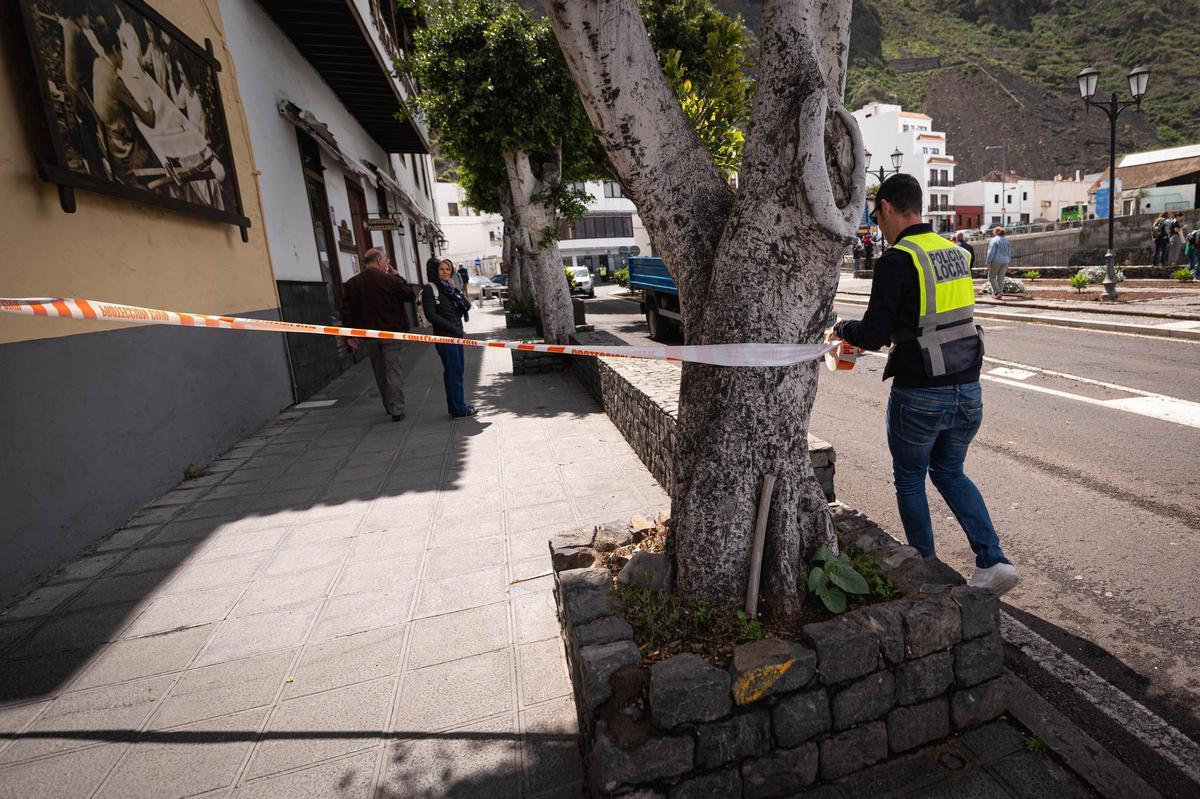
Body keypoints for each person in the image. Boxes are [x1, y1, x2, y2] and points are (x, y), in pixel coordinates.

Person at [828, 173, 1018, 595]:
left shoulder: (897, 259)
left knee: (911, 478)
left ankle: (927, 574)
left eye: (877, 216)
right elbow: (928, 313)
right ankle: (993, 560)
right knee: (950, 472)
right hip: (968, 388)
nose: (878, 225)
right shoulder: (954, 252)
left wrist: (842, 328)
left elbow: (875, 333)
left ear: (890, 208)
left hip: (920, 392)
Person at [340, 249, 416, 422]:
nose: (387, 264)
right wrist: (398, 276)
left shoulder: (353, 283)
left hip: (370, 337)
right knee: (393, 371)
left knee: (380, 372)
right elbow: (409, 295)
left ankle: (389, 406)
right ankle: (397, 409)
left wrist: (349, 335)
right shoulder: (390, 280)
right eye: (386, 261)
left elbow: (346, 311)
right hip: (391, 334)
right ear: (380, 261)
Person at [422, 258, 476, 418]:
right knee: (453, 372)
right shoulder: (430, 289)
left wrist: (456, 290)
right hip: (445, 337)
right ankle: (459, 408)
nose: (445, 272)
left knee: (457, 371)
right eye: (441, 269)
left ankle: (456, 405)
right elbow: (430, 314)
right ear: (435, 271)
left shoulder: (449, 289)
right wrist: (451, 327)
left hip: (456, 336)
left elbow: (466, 306)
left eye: (448, 269)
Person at [984, 227, 1011, 299]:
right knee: (1001, 278)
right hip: (1005, 261)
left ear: (996, 232)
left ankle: (997, 292)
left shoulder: (994, 240)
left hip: (996, 260)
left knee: (991, 277)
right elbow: (1009, 252)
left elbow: (991, 252)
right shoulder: (1006, 241)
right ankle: (999, 294)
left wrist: (988, 262)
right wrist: (1008, 262)